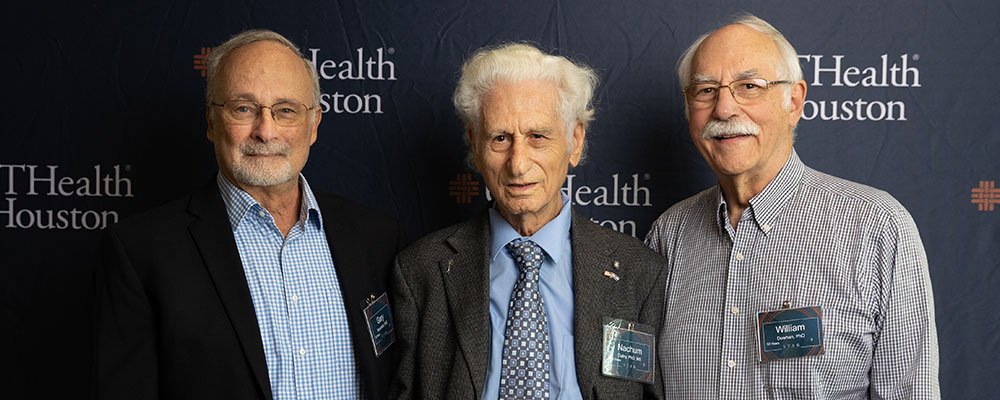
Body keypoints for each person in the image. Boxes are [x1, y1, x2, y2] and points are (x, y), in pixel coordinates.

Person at [644, 13, 939, 399]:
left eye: (749, 86)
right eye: (705, 91)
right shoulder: (669, 235)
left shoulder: (876, 227)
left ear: (794, 100)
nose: (724, 109)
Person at [93, 29, 399, 399]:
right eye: (243, 109)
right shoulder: (141, 253)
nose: (265, 131)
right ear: (211, 121)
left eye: (285, 110)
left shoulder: (378, 239)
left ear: (314, 124)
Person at [389, 43, 666, 400]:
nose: (518, 163)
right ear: (475, 145)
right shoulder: (420, 272)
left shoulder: (637, 271)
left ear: (575, 141)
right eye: (500, 138)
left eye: (537, 137)